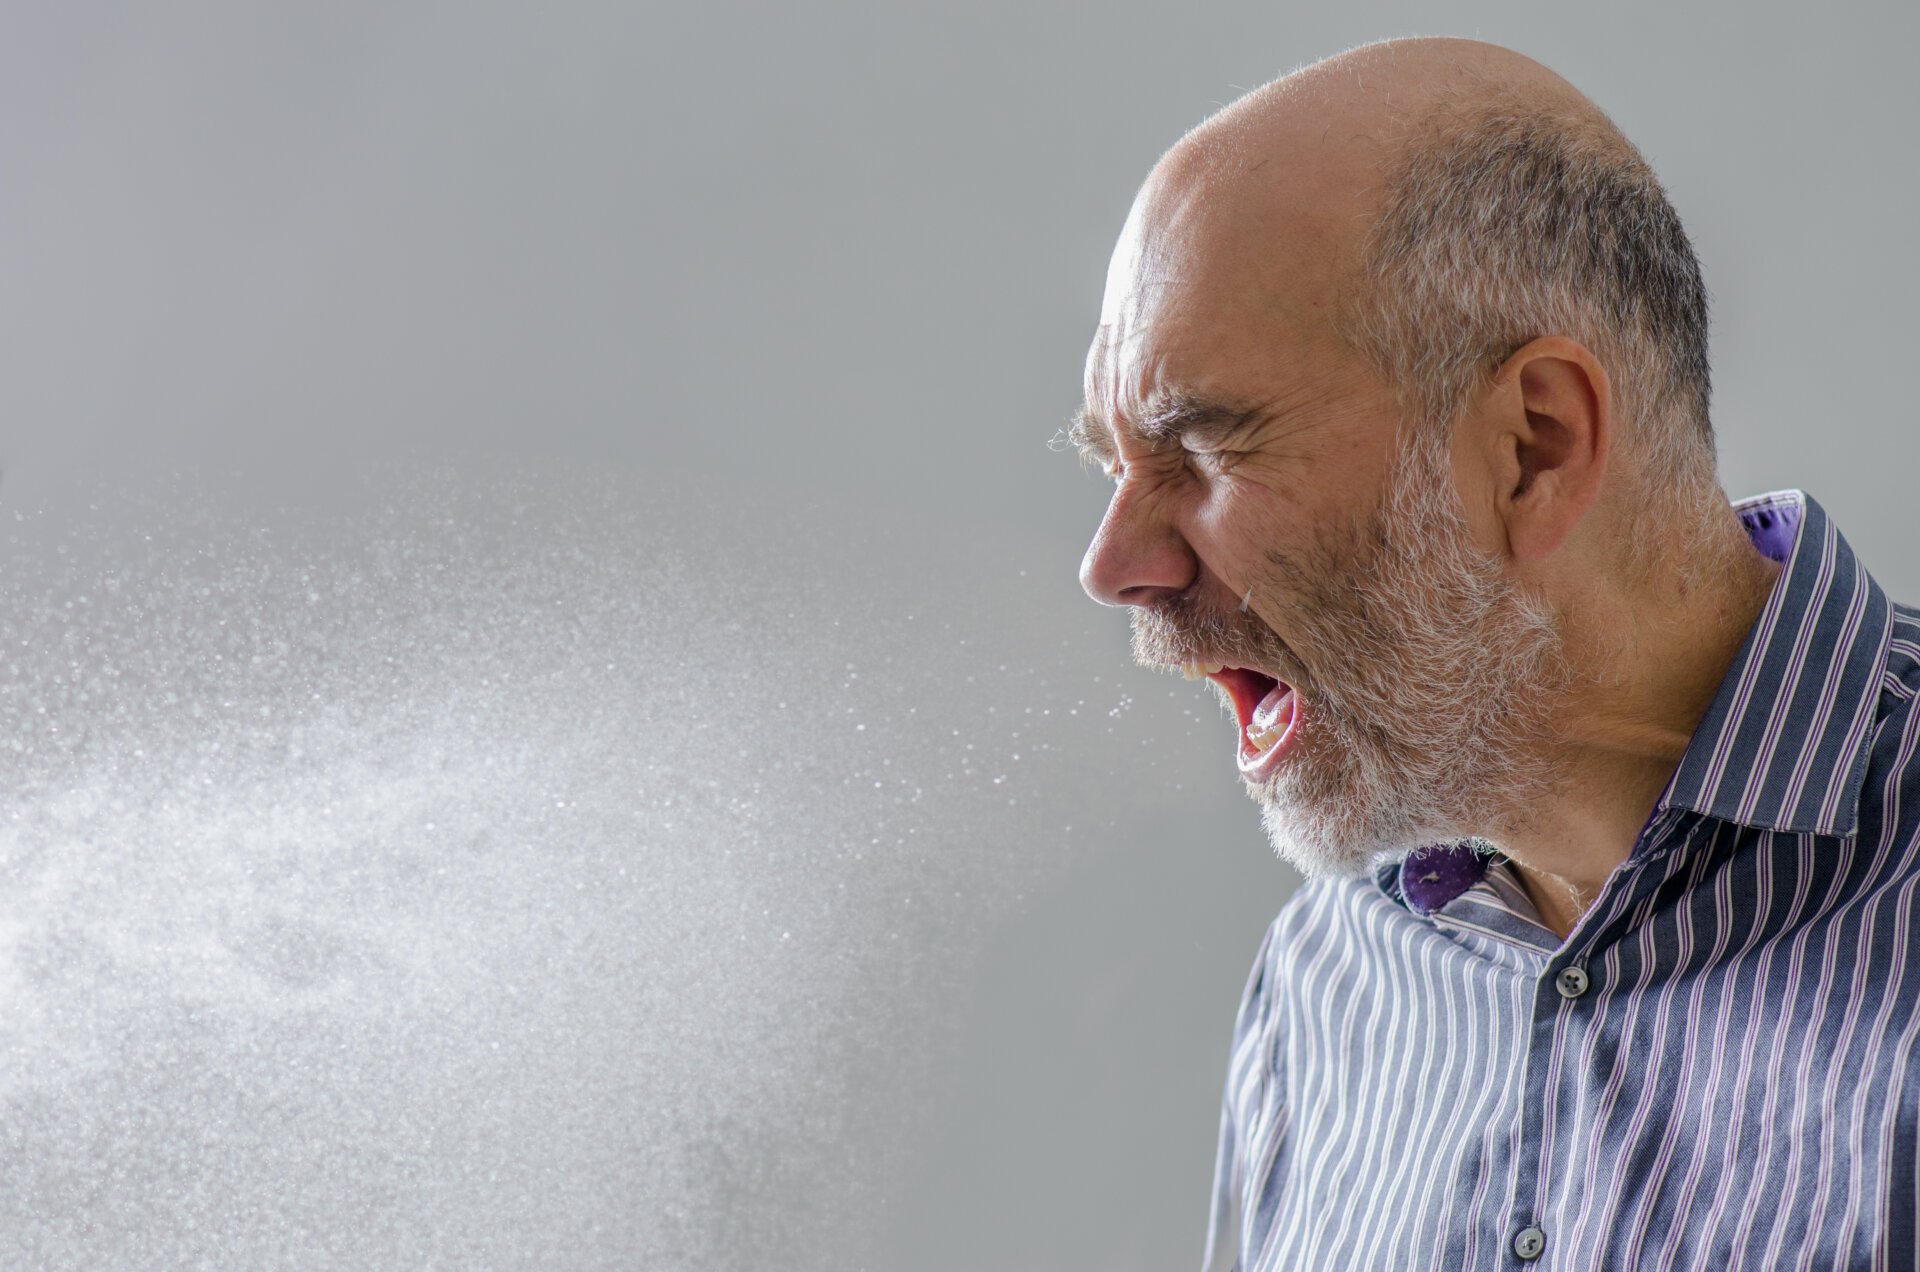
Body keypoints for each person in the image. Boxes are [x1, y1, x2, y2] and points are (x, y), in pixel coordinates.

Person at [1067, 36, 1920, 1270]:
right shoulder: (1329, 976)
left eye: (1202, 453)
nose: (1115, 564)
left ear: (1534, 444)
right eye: (1111, 466)